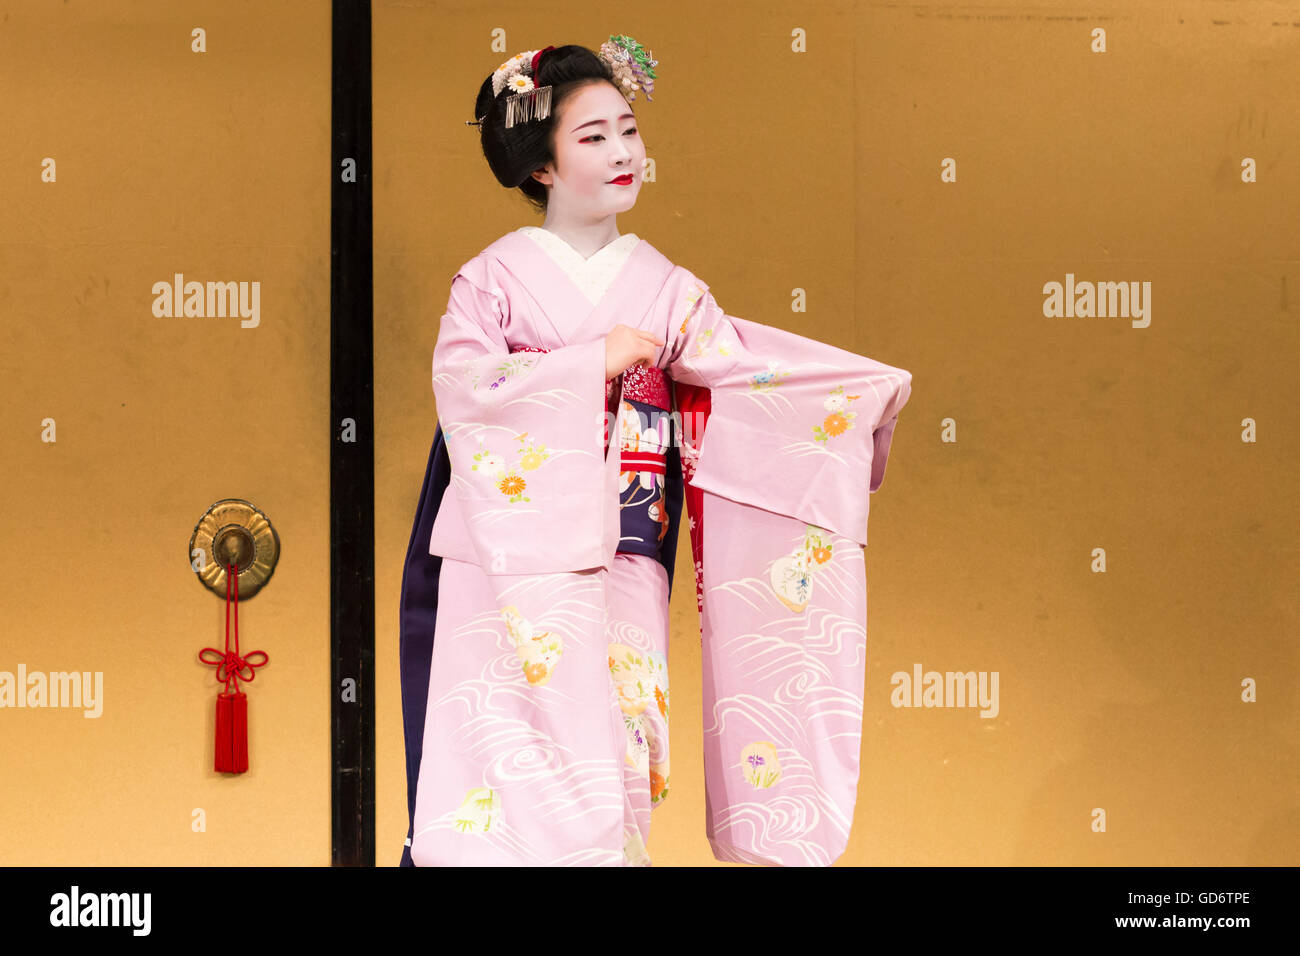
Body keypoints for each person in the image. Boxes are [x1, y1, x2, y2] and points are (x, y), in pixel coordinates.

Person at [398, 37, 913, 866]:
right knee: (503, 753)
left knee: (618, 744)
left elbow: (743, 378)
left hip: (628, 548)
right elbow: (464, 387)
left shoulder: (670, 287)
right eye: (592, 136)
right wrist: (584, 367)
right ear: (541, 165)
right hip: (505, 555)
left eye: (628, 130)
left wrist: (852, 398)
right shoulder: (490, 281)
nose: (623, 152)